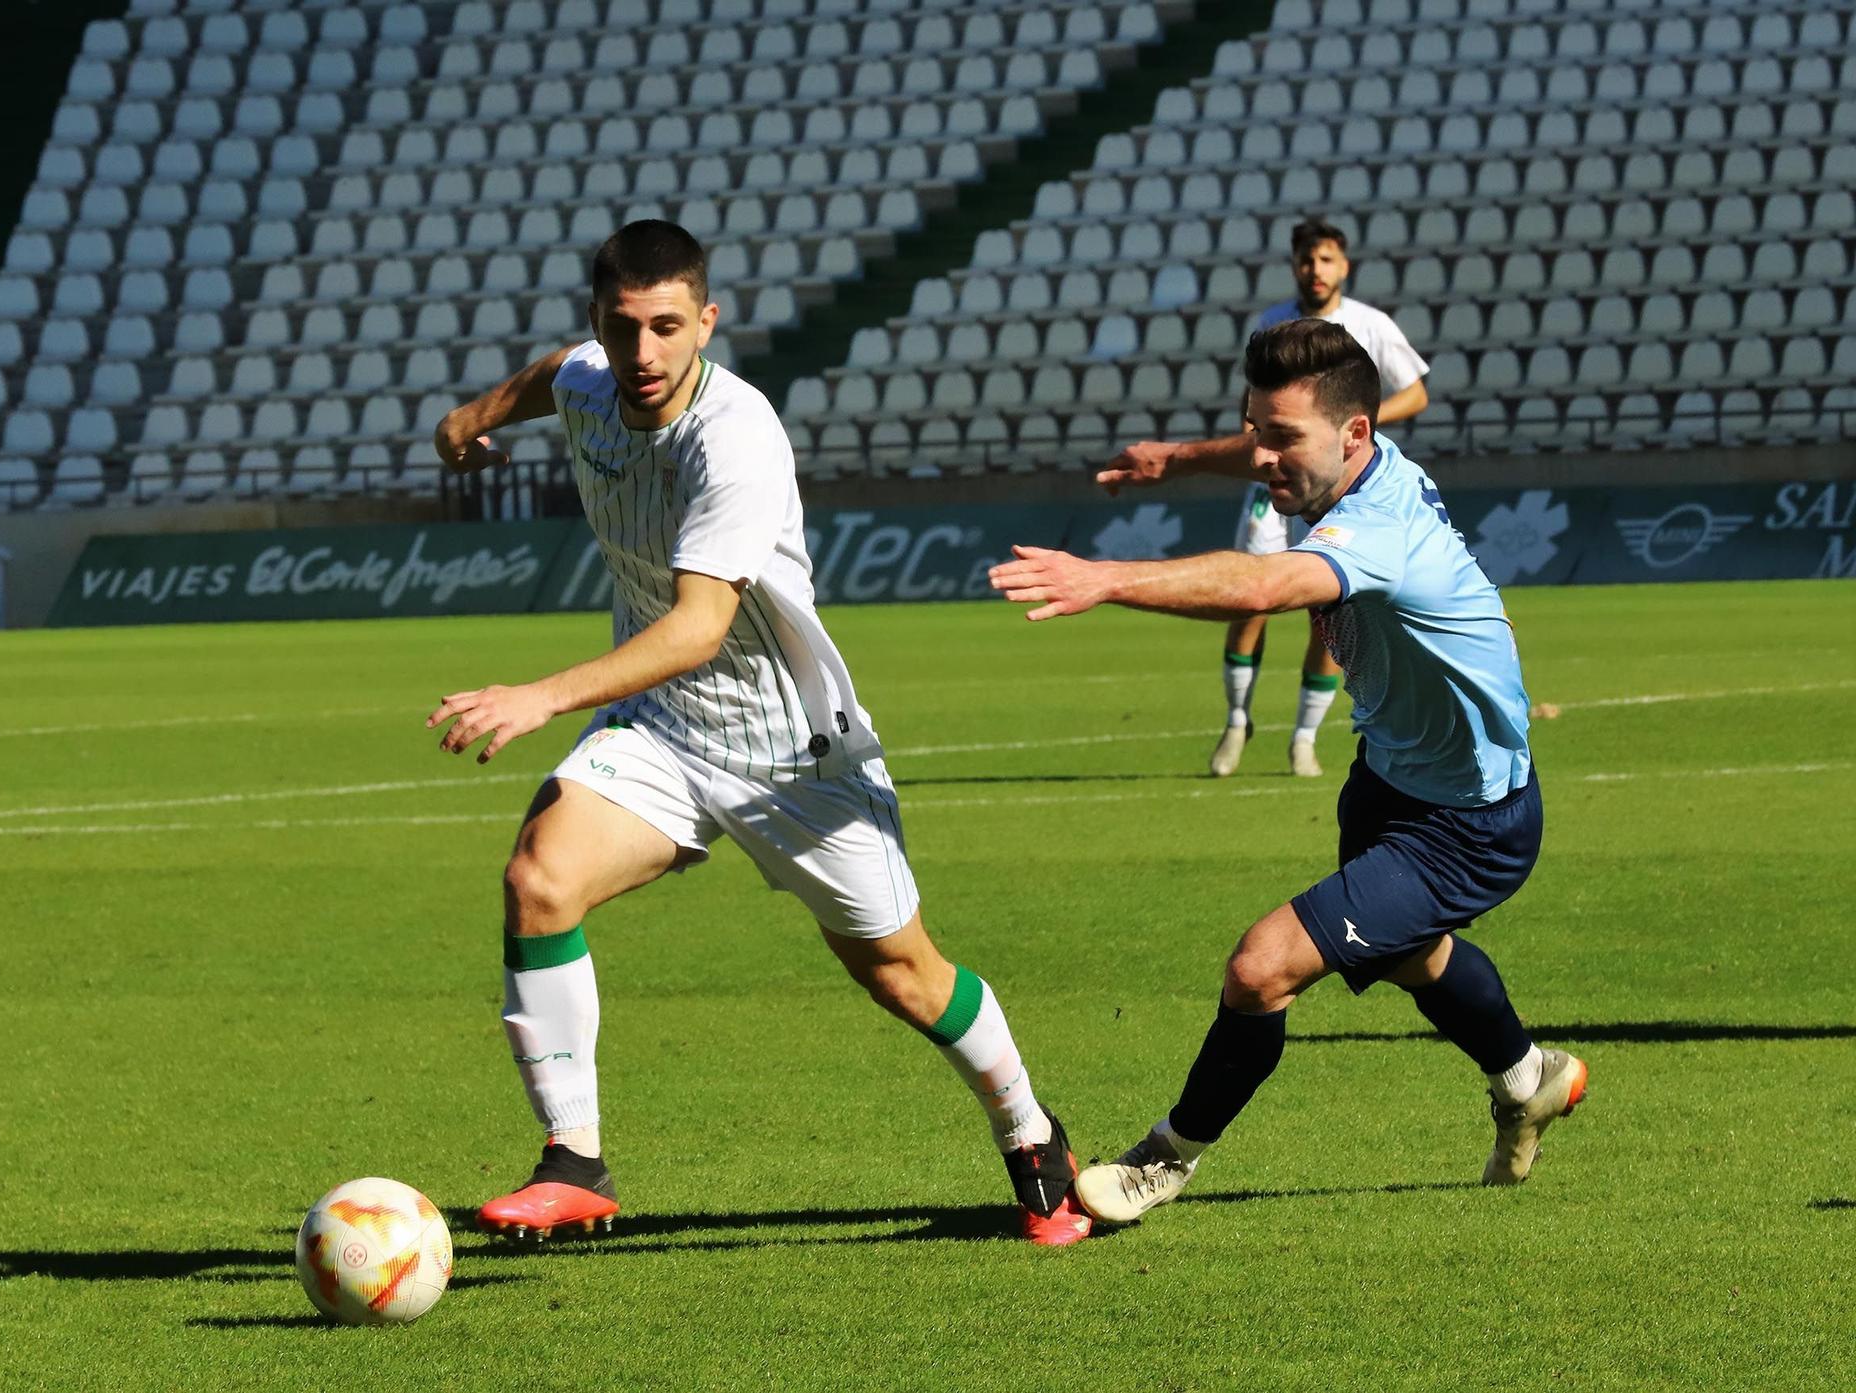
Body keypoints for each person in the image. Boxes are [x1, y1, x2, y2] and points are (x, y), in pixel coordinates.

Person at [427, 220, 1091, 1247]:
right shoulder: (592, 375)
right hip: (660, 729)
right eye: (621, 328)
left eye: (664, 327)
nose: (641, 353)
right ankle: (574, 1158)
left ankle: (1030, 1133)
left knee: (900, 972)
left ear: (706, 320)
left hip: (792, 753)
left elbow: (696, 627)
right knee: (538, 879)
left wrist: (540, 695)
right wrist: (469, 414)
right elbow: (552, 374)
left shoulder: (735, 435)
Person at [990, 319, 1585, 1225]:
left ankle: (1164, 1158)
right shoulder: (1360, 457)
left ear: (1354, 435)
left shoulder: (1379, 529)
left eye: (1282, 439)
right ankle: (1528, 1075)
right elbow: (1274, 440)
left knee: (1259, 967)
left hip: (1469, 821)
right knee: (1412, 954)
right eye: (1254, 431)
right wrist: (1181, 458)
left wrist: (1106, 577)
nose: (1265, 455)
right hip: (1391, 779)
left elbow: (1265, 588)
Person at [1100, 218, 1433, 779]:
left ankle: (1304, 738)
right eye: (1307, 259)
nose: (1316, 270)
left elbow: (1416, 393)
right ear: (1294, 265)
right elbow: (1250, 409)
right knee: (1250, 602)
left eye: (1326, 259)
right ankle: (1236, 720)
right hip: (1275, 479)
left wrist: (1349, 425)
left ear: (1343, 266)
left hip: (1338, 488)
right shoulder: (1273, 323)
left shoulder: (1371, 327)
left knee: (1328, 610)